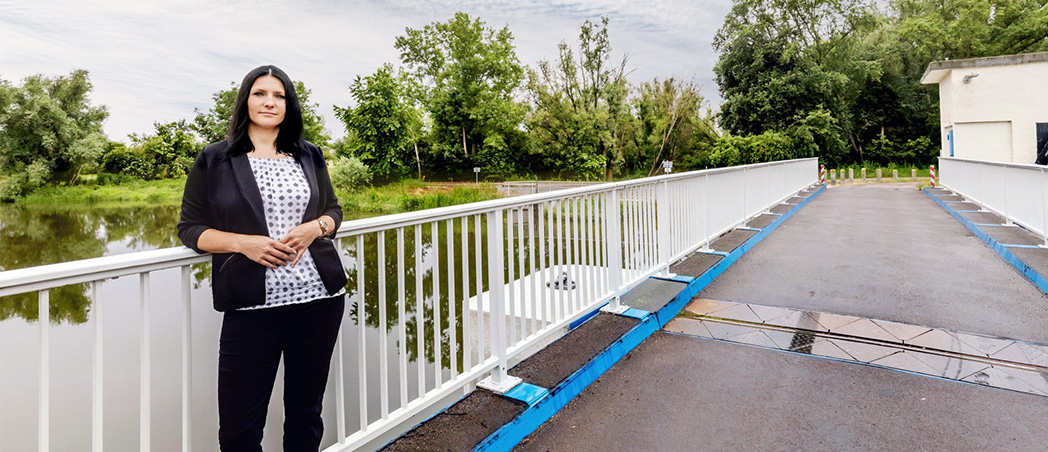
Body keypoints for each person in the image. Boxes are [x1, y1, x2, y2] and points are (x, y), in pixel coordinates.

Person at [177, 65, 348, 452]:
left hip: (318, 301)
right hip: (252, 307)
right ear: (245, 100)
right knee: (239, 429)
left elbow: (334, 211)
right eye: (260, 93)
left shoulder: (310, 154)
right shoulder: (216, 158)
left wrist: (315, 227)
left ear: (288, 105)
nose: (269, 102)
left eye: (279, 95)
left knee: (306, 415)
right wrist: (244, 244)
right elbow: (190, 228)